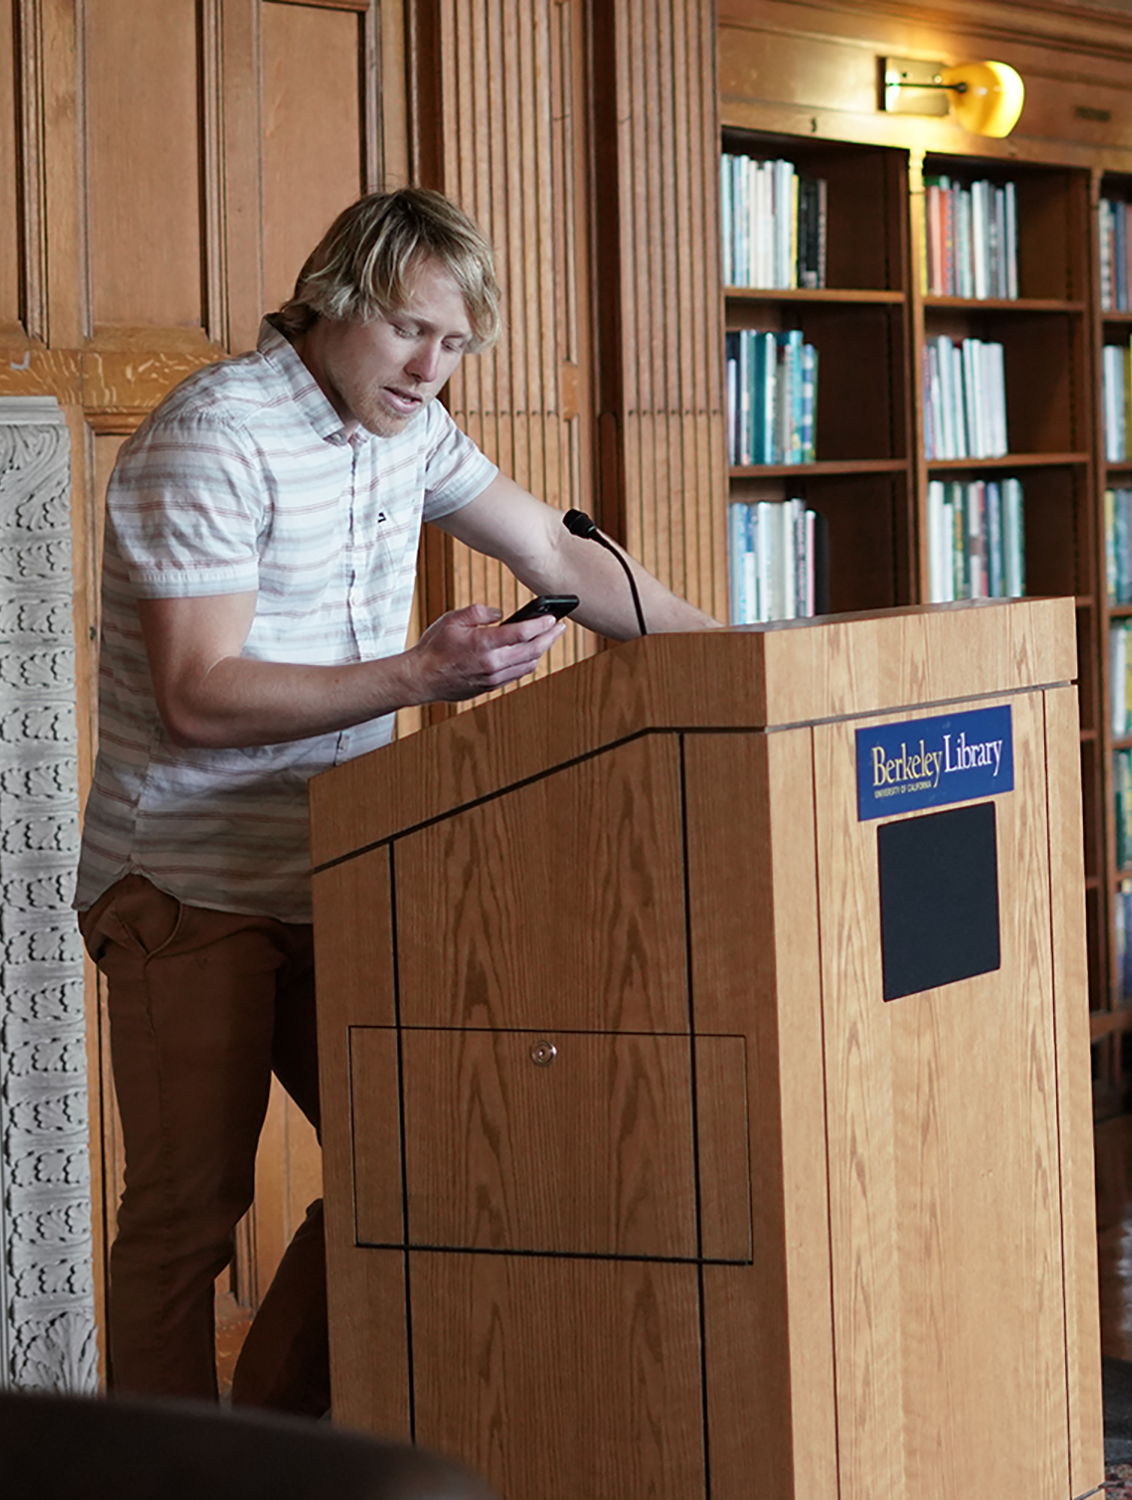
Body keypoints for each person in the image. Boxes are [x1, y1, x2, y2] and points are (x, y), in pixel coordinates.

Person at [73, 187, 720, 1413]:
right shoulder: (217, 434)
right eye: (410, 331)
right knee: (186, 1221)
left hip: (340, 865)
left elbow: (564, 561)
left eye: (458, 344)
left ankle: (265, 1455)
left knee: (406, 1157)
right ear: (331, 302)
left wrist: (744, 671)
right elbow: (200, 697)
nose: (431, 369)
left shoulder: (408, 430)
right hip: (184, 887)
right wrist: (422, 674)